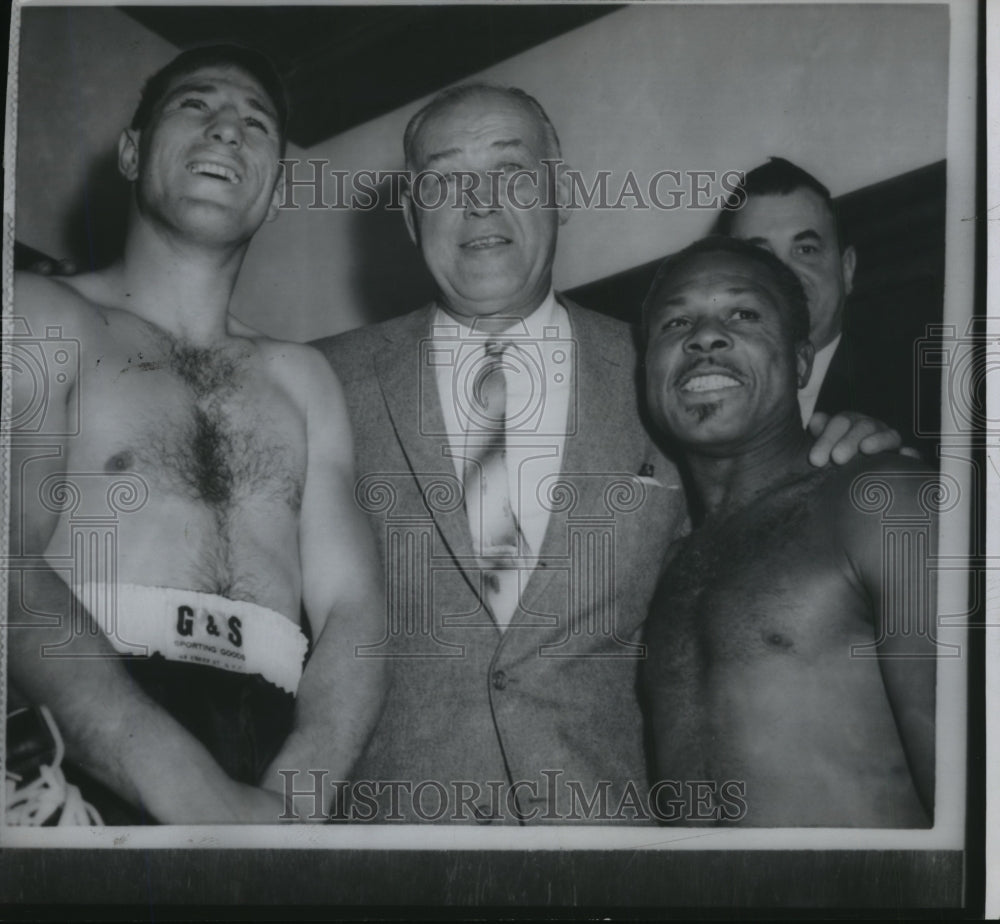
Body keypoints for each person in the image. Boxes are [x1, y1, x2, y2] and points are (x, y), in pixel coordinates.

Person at [313, 84, 902, 824]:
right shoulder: (317, 381)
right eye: (444, 178)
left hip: (610, 867)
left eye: (512, 170)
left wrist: (849, 445)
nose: (481, 200)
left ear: (560, 193)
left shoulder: (669, 371)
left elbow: (769, 508)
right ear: (410, 215)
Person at [8, 45, 386, 824]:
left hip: (274, 760)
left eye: (256, 123)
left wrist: (293, 803)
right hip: (85, 738)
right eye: (196, 105)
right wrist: (189, 790)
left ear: (276, 188)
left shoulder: (303, 379)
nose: (227, 131)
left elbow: (355, 610)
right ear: (130, 150)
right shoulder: (42, 316)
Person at [641, 236, 936, 827]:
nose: (703, 336)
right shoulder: (664, 564)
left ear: (802, 359)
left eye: (742, 314)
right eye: (676, 322)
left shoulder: (885, 500)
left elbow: (978, 812)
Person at [717, 157, 934, 457]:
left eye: (805, 250)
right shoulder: (699, 396)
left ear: (846, 270)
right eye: (759, 257)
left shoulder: (927, 392)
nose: (785, 275)